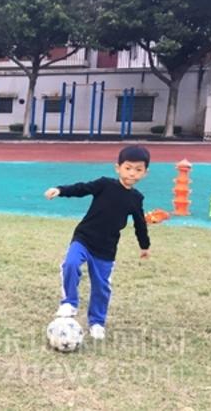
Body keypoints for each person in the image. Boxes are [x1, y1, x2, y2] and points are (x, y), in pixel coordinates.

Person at [45, 145, 151, 340]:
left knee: (101, 286)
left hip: (106, 248)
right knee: (70, 264)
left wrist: (144, 246)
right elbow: (82, 188)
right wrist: (60, 190)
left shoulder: (136, 199)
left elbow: (140, 224)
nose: (132, 173)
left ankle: (97, 322)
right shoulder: (104, 184)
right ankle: (69, 302)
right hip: (84, 238)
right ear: (117, 168)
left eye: (138, 169)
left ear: (145, 173)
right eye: (128, 168)